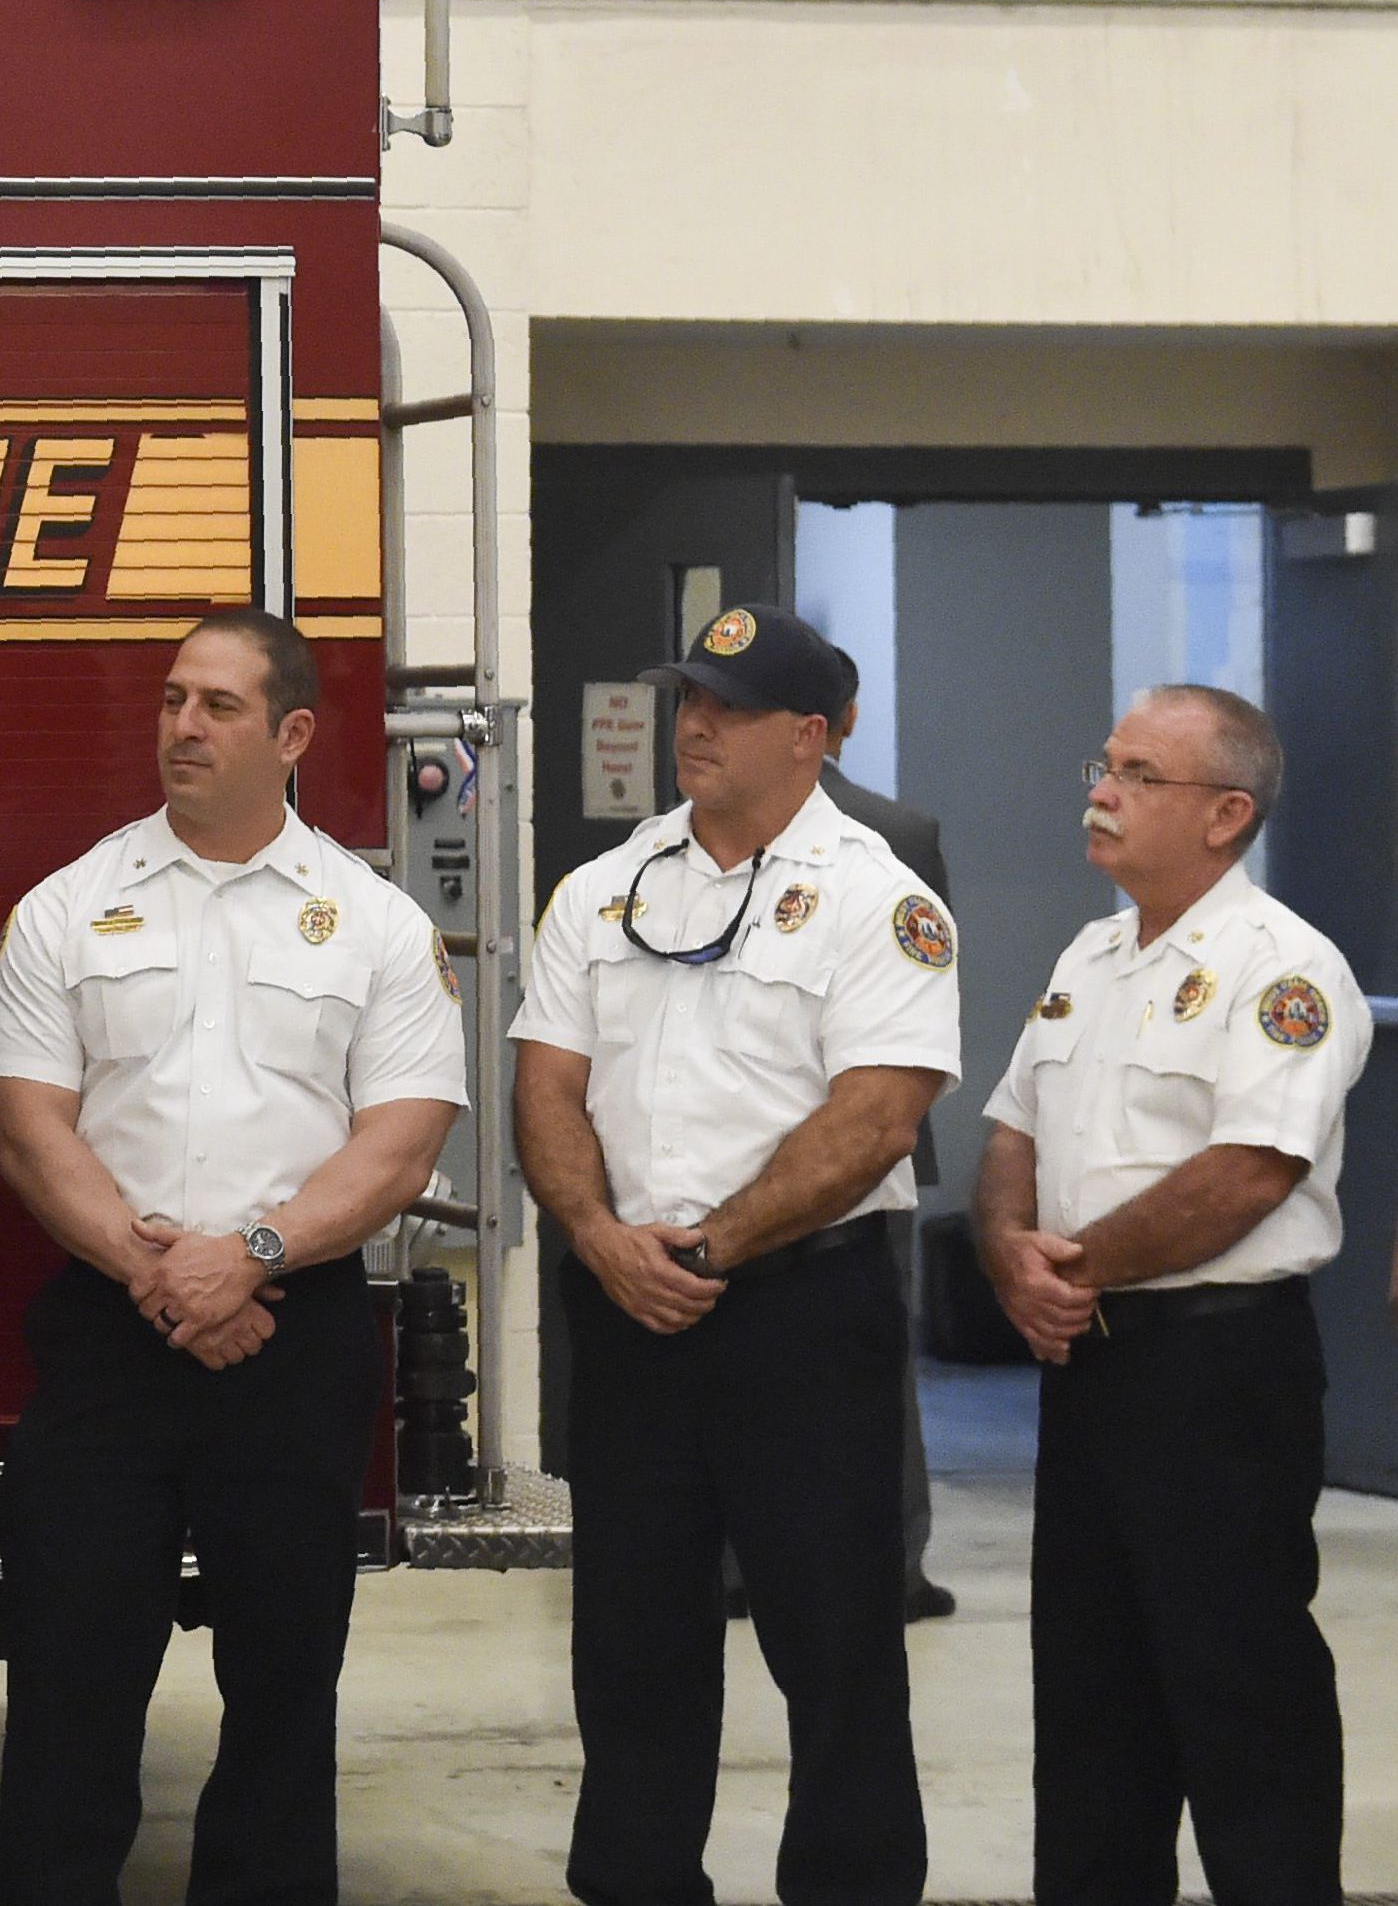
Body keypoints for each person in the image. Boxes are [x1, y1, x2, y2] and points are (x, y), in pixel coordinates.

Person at [0, 610, 466, 1906]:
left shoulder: (371, 923)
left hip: (291, 1348)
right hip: (103, 1345)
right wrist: (165, 1277)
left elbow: (398, 1145)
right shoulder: (67, 908)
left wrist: (248, 1255)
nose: (181, 727)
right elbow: (28, 1132)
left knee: (283, 1691)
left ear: (292, 734)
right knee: (70, 1684)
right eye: (172, 700)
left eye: (218, 707)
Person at [509, 602, 954, 1906]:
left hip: (799, 1314)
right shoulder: (604, 887)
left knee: (831, 1640)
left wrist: (709, 1245)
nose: (691, 724)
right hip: (628, 1311)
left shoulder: (882, 900)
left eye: (727, 705)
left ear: (807, 736)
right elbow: (546, 1086)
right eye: (684, 697)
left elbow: (874, 1118)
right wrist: (596, 1234)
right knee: (631, 1642)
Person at [975, 685, 1369, 1906]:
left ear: (1225, 814)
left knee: (1238, 1686)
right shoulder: (1090, 955)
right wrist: (1006, 1254)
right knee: (1089, 1693)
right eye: (1106, 763)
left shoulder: (1285, 969)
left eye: (1140, 773)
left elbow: (1248, 1173)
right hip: (1091, 1365)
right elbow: (1010, 1128)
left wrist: (1065, 1268)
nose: (1100, 789)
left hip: (1218, 1368)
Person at [815, 740, 957, 1623]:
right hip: (878, 1134)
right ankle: (895, 1565)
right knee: (879, 1361)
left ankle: (735, 1565)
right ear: (849, 720)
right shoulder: (904, 828)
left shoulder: (668, 838)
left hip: (757, 1150)